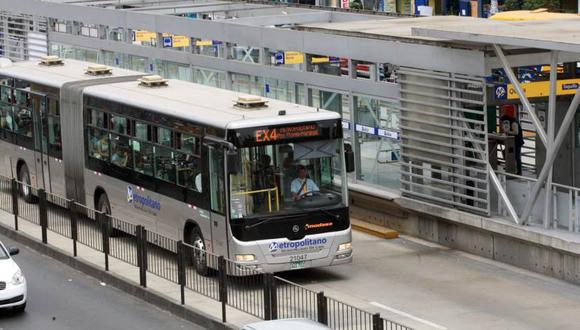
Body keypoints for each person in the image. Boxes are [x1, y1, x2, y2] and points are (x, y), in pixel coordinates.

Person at [499, 105, 524, 175]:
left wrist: (508, 132)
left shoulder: (513, 123)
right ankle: (509, 166)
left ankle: (519, 171)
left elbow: (516, 132)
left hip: (517, 142)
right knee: (505, 152)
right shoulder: (510, 122)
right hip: (512, 142)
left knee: (517, 156)